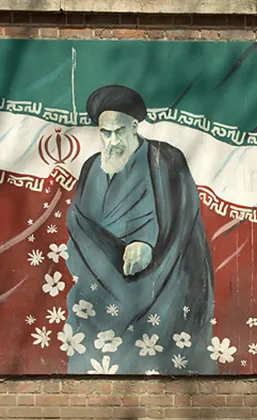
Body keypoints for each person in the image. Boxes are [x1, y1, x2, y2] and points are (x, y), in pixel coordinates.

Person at [64, 85, 215, 375]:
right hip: (98, 284)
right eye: (105, 133)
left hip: (159, 284)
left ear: (134, 126)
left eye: (119, 131)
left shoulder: (167, 160)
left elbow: (183, 217)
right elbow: (79, 225)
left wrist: (147, 242)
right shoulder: (91, 168)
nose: (112, 141)